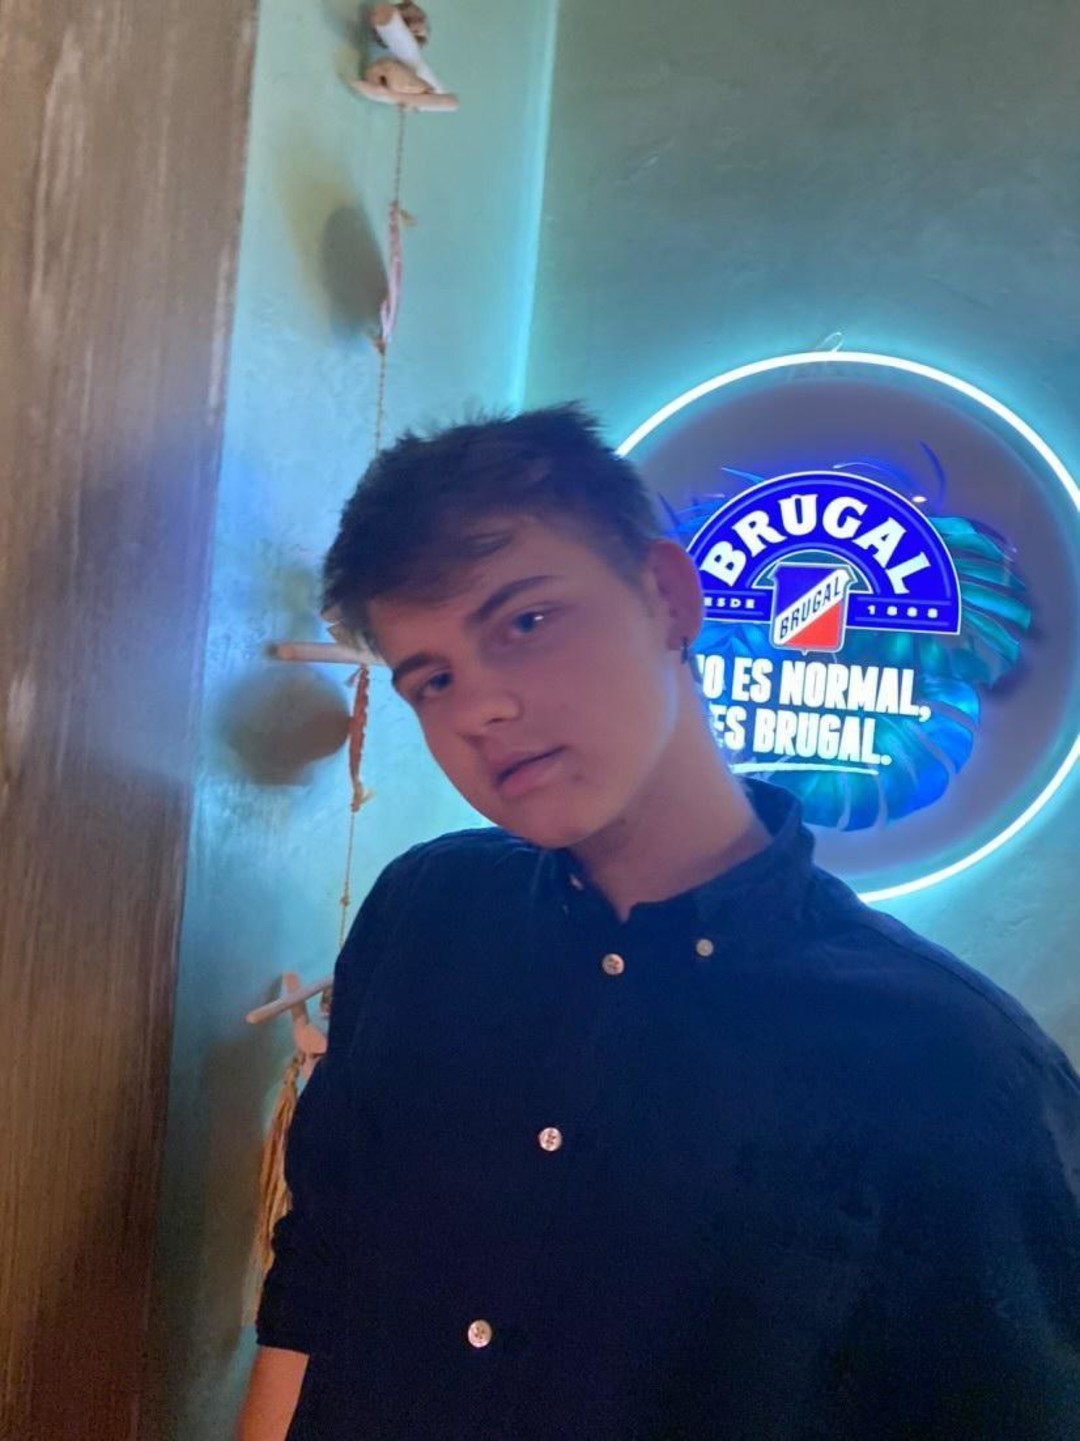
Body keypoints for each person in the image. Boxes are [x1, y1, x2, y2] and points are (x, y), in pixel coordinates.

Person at [238, 406, 1080, 1440]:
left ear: (670, 598)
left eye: (526, 622)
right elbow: (318, 1274)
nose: (479, 708)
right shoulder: (425, 913)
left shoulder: (954, 1065)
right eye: (433, 679)